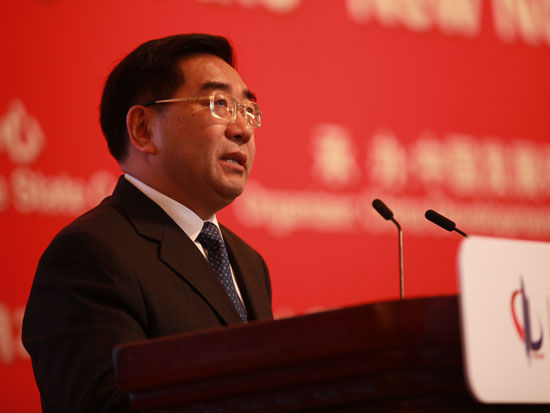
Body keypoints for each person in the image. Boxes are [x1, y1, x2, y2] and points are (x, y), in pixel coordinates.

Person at [22, 33, 273, 413]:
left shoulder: (249, 262)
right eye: (218, 104)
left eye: (247, 109)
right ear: (143, 129)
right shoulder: (91, 254)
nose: (243, 129)